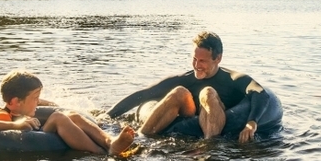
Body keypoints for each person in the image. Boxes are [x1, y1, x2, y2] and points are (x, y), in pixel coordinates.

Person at [107, 31, 281, 143]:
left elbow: (260, 93)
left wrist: (251, 123)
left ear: (218, 58)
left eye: (203, 61)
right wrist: (107, 116)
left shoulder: (233, 79)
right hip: (189, 116)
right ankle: (140, 138)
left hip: (217, 120)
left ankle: (208, 146)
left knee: (208, 92)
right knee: (179, 92)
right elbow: (144, 94)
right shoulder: (186, 79)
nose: (197, 65)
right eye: (194, 59)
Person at [0, 70, 136, 156]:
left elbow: (38, 105)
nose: (38, 101)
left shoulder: (20, 106)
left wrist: (44, 102)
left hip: (39, 133)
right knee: (58, 117)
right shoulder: (2, 115)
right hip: (30, 140)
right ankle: (100, 153)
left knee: (72, 115)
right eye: (35, 98)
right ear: (14, 102)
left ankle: (109, 141)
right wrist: (14, 124)